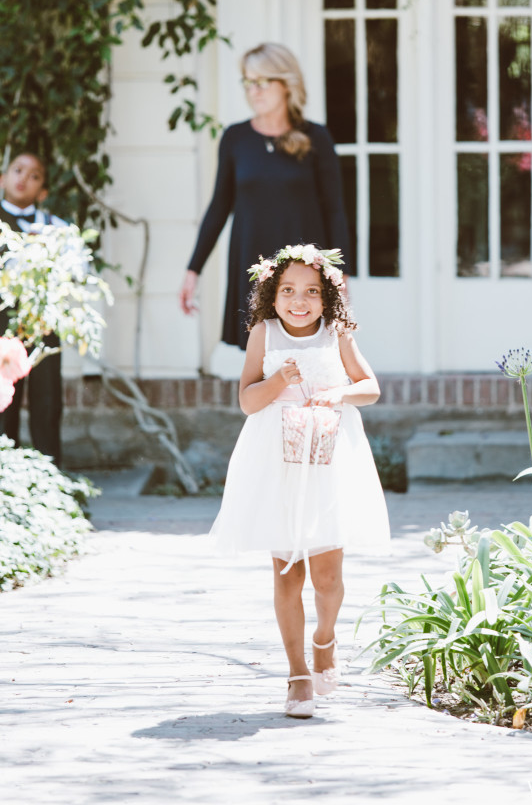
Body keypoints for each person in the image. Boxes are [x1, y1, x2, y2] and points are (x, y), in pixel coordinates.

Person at [209, 244, 390, 718]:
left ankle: (324, 640)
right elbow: (248, 401)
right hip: (277, 464)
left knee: (328, 577)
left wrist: (339, 393)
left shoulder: (337, 334)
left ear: (326, 297)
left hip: (330, 463)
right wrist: (277, 383)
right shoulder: (263, 334)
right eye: (288, 290)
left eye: (311, 291)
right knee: (288, 570)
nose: (299, 300)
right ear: (272, 294)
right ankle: (296, 675)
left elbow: (370, 387)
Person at [179, 42, 350, 350]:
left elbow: (335, 210)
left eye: (261, 82)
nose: (253, 91)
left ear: (286, 84)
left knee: (305, 361)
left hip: (304, 275)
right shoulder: (235, 139)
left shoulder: (316, 138)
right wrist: (194, 270)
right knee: (259, 366)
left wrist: (341, 273)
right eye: (248, 82)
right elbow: (219, 206)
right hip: (252, 265)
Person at [0, 150, 66, 465]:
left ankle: (50, 478)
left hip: (43, 324)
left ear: (43, 191)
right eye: (18, 170)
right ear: (3, 179)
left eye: (34, 175)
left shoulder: (55, 227)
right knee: (2, 401)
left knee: (47, 399)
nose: (24, 178)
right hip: (2, 325)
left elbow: (75, 272)